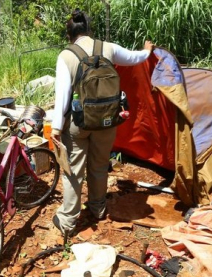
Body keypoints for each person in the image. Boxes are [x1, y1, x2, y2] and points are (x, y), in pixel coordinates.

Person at [50, 9, 154, 238]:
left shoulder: (66, 56)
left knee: (73, 172)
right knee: (98, 166)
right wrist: (147, 51)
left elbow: (62, 98)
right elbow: (135, 58)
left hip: (79, 124)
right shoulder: (109, 48)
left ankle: (67, 221)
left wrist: (56, 128)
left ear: (70, 35)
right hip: (107, 120)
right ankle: (98, 208)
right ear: (89, 30)